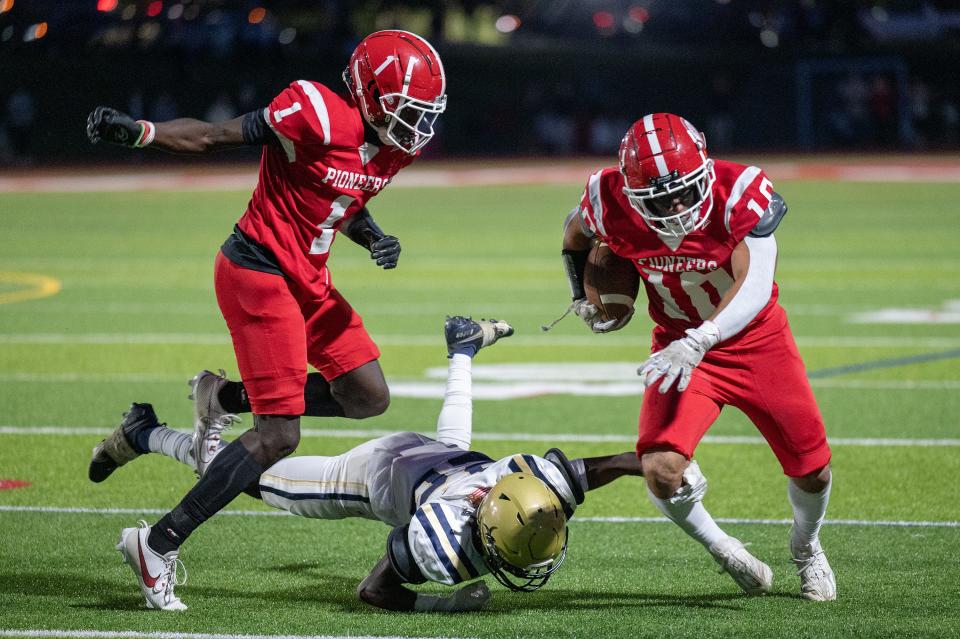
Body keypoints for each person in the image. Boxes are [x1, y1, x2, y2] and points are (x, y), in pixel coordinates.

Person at [85, 30, 448, 609]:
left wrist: (373, 233)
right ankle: (157, 543)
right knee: (279, 435)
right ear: (370, 94)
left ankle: (221, 397)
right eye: (408, 110)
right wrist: (142, 132)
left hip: (309, 275)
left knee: (366, 393)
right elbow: (212, 135)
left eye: (425, 113)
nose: (417, 125)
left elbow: (340, 199)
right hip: (258, 270)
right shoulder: (315, 112)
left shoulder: (395, 145)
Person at [90, 317, 646, 611]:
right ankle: (149, 433)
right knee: (241, 474)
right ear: (482, 505)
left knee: (460, 447)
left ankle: (462, 350)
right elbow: (375, 590)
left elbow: (593, 469)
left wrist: (643, 462)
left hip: (442, 459)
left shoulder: (528, 491)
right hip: (371, 476)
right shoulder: (444, 542)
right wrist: (443, 604)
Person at [559, 113, 836, 601]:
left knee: (813, 470)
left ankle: (807, 546)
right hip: (676, 345)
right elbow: (575, 231)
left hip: (755, 340)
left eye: (686, 190)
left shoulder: (739, 190)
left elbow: (753, 283)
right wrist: (578, 290)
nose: (676, 205)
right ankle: (725, 549)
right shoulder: (608, 198)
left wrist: (701, 340)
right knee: (661, 470)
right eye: (658, 198)